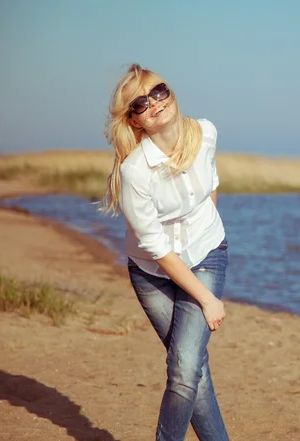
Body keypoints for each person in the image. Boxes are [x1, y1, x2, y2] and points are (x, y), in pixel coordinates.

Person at [100, 63, 230, 441]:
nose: (154, 102)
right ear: (135, 121)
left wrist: (205, 235)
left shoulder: (205, 132)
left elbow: (211, 186)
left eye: (159, 91)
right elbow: (158, 249)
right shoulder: (136, 172)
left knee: (186, 366)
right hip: (152, 270)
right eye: (140, 103)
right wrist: (207, 298)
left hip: (207, 252)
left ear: (170, 92)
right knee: (189, 368)